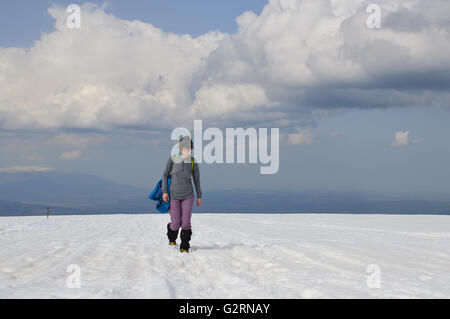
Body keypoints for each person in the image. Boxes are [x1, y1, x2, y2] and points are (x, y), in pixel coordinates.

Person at [162, 136, 202, 253]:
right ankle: (172, 239)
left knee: (186, 223)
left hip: (188, 196)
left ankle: (184, 246)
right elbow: (165, 175)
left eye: (188, 148)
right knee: (175, 224)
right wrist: (165, 191)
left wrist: (199, 196)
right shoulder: (172, 159)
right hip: (174, 196)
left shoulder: (193, 162)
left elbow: (196, 180)